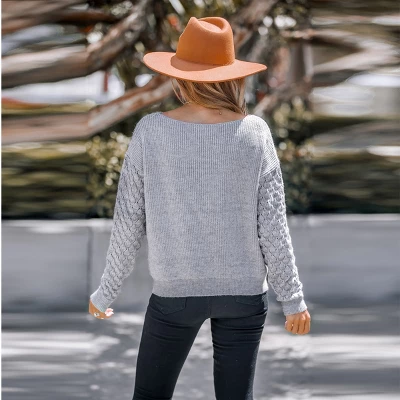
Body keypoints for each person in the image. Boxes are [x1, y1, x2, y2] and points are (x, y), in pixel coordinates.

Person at [88, 16, 311, 400]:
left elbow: (128, 222)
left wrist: (105, 293)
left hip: (175, 295)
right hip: (244, 296)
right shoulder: (255, 132)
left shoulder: (151, 131)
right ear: (231, 76)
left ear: (180, 78)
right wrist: (293, 300)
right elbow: (273, 227)